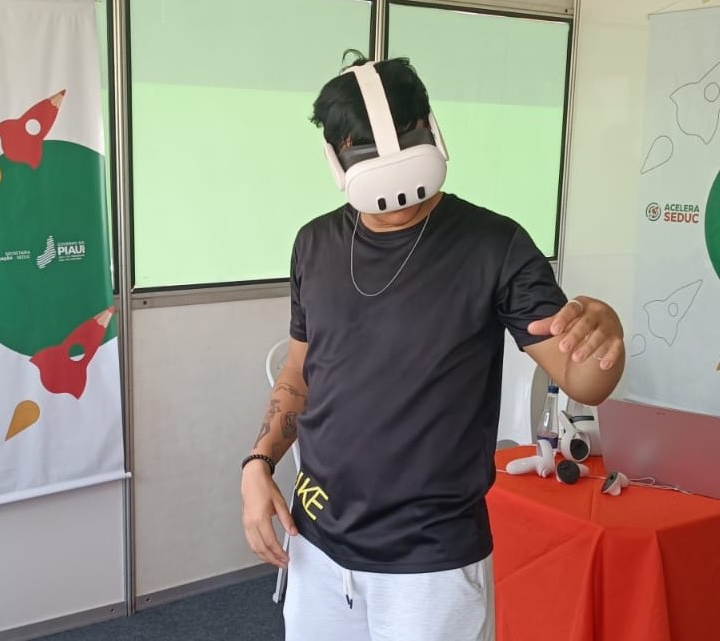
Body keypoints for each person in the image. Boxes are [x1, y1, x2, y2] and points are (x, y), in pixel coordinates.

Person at [240, 53, 625, 641]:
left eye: (404, 141)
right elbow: (300, 370)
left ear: (430, 129)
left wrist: (606, 336)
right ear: (337, 158)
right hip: (317, 541)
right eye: (367, 152)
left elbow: (583, 379)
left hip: (432, 561)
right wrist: (258, 463)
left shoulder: (494, 244)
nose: (393, 177)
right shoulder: (314, 244)